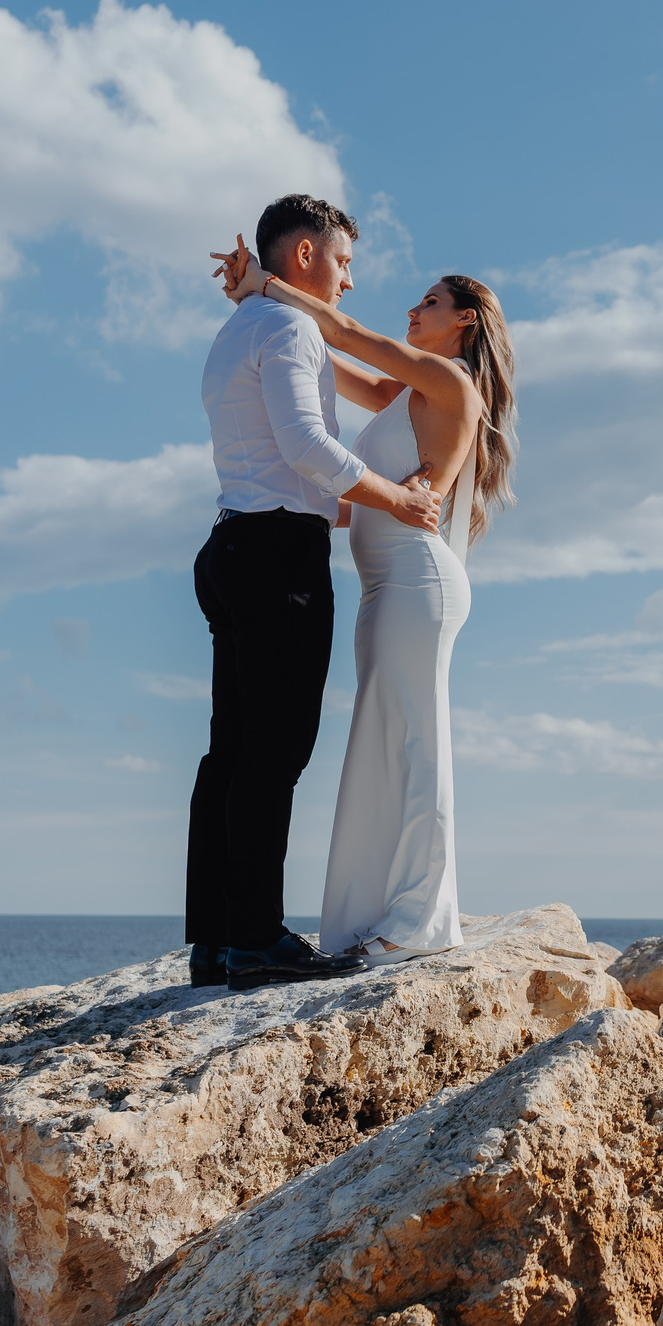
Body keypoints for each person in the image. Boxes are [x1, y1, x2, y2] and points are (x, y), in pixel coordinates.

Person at [213, 239, 515, 962]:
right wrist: (258, 304)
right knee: (386, 746)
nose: (414, 309)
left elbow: (349, 334)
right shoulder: (408, 397)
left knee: (416, 742)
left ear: (464, 322)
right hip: (387, 586)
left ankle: (419, 922)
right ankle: (383, 910)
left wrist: (264, 281)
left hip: (416, 582)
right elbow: (328, 357)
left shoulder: (450, 384)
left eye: (431, 302)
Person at [189, 194, 441, 991]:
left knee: (230, 748)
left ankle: (217, 939)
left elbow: (279, 454)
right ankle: (258, 938)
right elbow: (304, 445)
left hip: (231, 543)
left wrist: (342, 502)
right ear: (304, 257)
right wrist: (397, 500)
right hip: (273, 558)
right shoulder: (291, 326)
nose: (349, 281)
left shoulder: (237, 330)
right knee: (275, 748)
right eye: (344, 262)